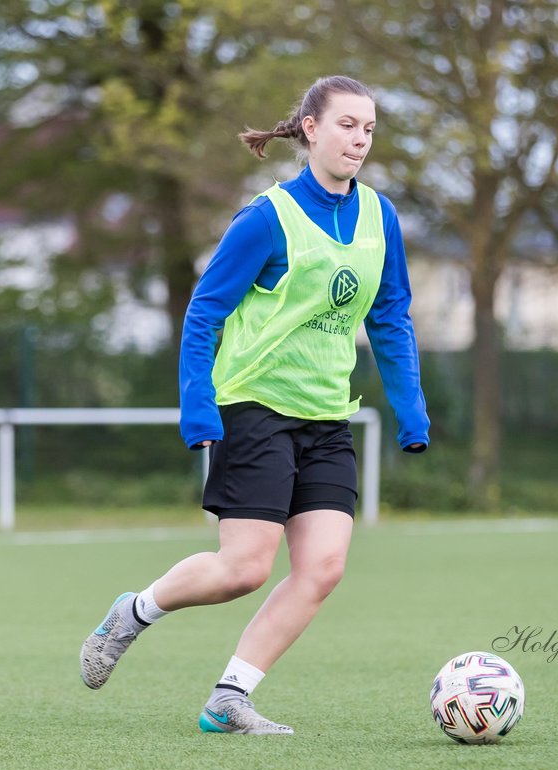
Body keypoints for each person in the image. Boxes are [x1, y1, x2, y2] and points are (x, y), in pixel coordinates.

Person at [80, 75, 430, 734]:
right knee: (243, 569)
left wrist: (411, 411)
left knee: (323, 567)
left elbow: (391, 316)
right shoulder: (267, 218)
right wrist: (198, 407)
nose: (359, 140)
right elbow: (204, 312)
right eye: (347, 125)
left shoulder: (381, 217)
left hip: (327, 414)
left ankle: (229, 696)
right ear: (310, 129)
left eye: (369, 129)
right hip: (255, 406)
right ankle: (135, 611)